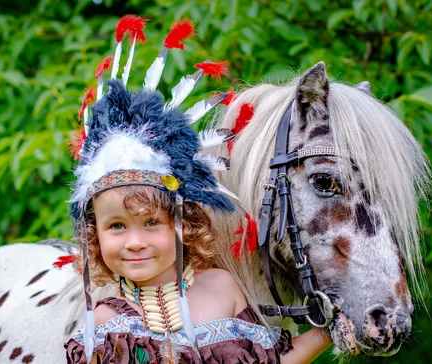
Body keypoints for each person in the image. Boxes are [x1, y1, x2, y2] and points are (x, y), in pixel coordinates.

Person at [63, 14, 332, 363]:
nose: (134, 241)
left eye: (151, 222)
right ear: (94, 236)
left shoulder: (223, 287)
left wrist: (328, 330)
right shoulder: (105, 321)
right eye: (116, 226)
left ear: (184, 224)